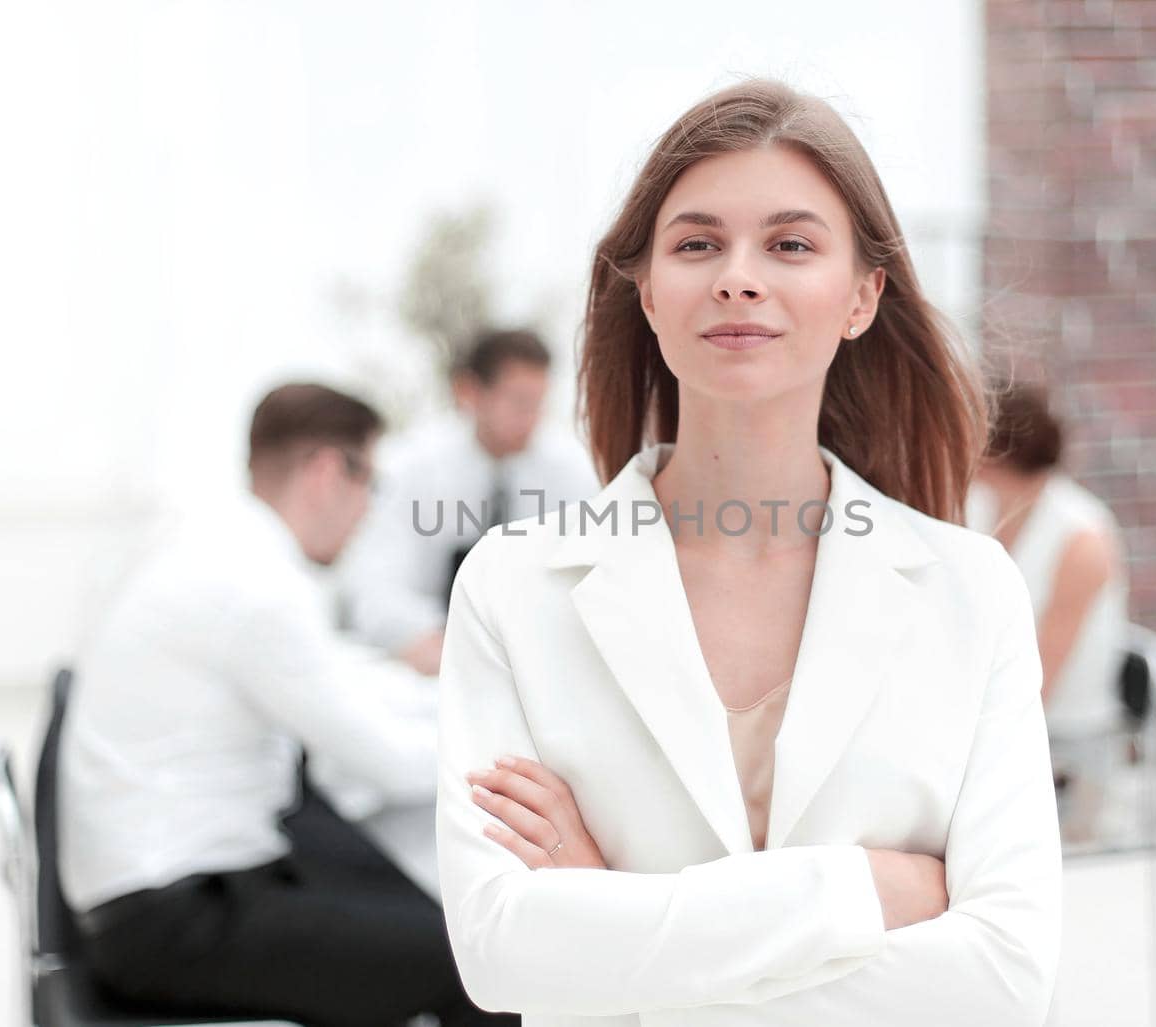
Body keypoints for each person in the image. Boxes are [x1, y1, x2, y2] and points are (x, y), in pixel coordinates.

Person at [435, 81, 1061, 1025]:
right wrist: (865, 893)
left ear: (862, 295)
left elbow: (1007, 977)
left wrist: (617, 923)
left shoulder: (973, 592)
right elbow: (500, 954)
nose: (738, 275)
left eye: (791, 244)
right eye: (696, 243)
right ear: (647, 291)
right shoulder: (513, 586)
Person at [59, 383, 514, 1027]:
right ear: (329, 471)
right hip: (169, 920)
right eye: (371, 484)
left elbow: (334, 676)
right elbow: (386, 759)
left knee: (398, 888)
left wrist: (449, 696)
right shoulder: (259, 587)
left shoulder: (220, 545)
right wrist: (517, 743)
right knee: (474, 963)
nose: (367, 510)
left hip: (153, 885)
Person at [340, 328, 598, 676]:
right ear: (469, 392)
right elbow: (372, 587)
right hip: (429, 666)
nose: (531, 419)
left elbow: (590, 582)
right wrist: (441, 645)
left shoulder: (573, 472)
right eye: (519, 402)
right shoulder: (411, 468)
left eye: (538, 403)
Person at [970, 381, 1130, 841]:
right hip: (997, 725)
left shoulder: (1081, 538)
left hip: (1061, 747)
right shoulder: (981, 508)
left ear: (991, 449)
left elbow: (1039, 683)